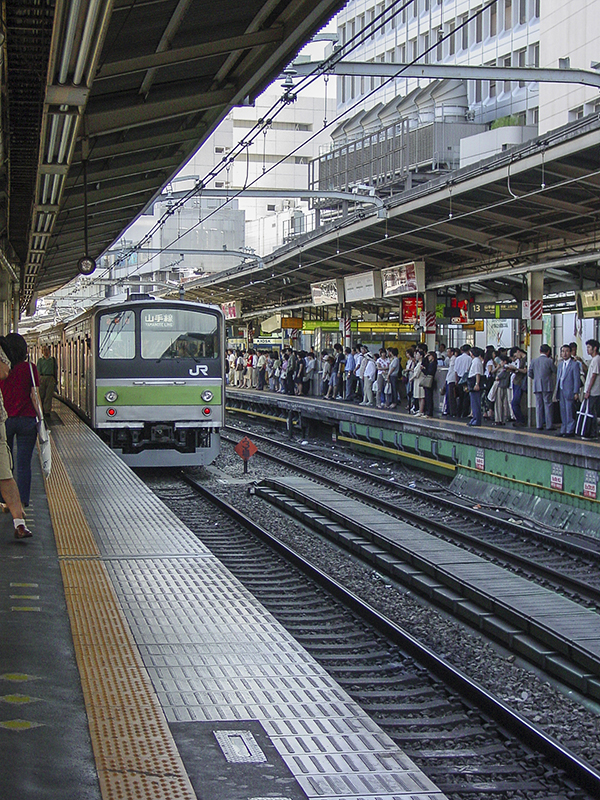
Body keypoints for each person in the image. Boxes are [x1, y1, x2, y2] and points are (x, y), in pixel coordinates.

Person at [0, 335, 33, 538]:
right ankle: (19, 521)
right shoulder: (26, 368)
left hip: (7, 419)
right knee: (8, 473)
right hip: (16, 419)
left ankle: (19, 521)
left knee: (6, 473)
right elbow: (4, 371)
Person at [528, 344, 556, 431]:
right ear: (548, 352)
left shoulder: (534, 361)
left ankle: (539, 424)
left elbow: (530, 373)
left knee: (538, 405)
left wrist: (535, 378)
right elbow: (555, 370)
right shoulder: (549, 361)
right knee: (547, 405)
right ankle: (549, 425)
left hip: (537, 385)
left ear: (540, 351)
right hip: (547, 385)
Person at [555, 344, 580, 437]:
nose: (564, 353)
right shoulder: (560, 364)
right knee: (563, 410)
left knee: (569, 410)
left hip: (570, 391)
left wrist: (576, 392)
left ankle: (570, 429)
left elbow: (576, 379)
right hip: (561, 390)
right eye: (562, 351)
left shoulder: (574, 364)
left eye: (566, 351)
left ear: (570, 353)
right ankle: (563, 428)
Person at [581, 339, 600, 439]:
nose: (587, 349)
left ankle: (592, 433)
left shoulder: (597, 359)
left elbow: (594, 376)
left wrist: (588, 390)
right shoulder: (594, 359)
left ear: (595, 348)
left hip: (593, 391)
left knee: (591, 412)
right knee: (591, 411)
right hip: (591, 390)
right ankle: (592, 432)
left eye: (589, 347)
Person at [508, 347, 528, 427]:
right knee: (515, 402)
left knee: (514, 402)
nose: (515, 358)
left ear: (518, 351)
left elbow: (525, 371)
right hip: (516, 382)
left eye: (515, 355)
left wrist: (516, 369)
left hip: (520, 383)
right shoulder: (520, 360)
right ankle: (519, 419)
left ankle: (521, 420)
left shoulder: (526, 359)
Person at [37, 344, 57, 419]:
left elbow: (55, 370)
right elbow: (38, 371)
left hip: (50, 377)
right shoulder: (40, 361)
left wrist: (55, 379)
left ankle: (47, 411)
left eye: (46, 350)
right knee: (42, 395)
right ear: (42, 352)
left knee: (48, 395)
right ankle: (41, 410)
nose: (45, 352)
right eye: (44, 350)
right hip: (42, 377)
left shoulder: (52, 360)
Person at [467, 347, 484, 426]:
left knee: (475, 403)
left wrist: (477, 383)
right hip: (473, 383)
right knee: (474, 402)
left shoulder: (476, 362)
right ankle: (475, 419)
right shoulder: (476, 361)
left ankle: (476, 420)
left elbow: (477, 373)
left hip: (474, 383)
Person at [423, 351, 437, 417]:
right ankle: (428, 411)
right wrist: (425, 358)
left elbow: (429, 372)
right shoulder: (430, 363)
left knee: (429, 397)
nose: (428, 357)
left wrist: (423, 370)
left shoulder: (433, 364)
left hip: (430, 381)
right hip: (429, 381)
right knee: (427, 396)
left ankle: (429, 412)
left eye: (429, 356)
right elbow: (424, 364)